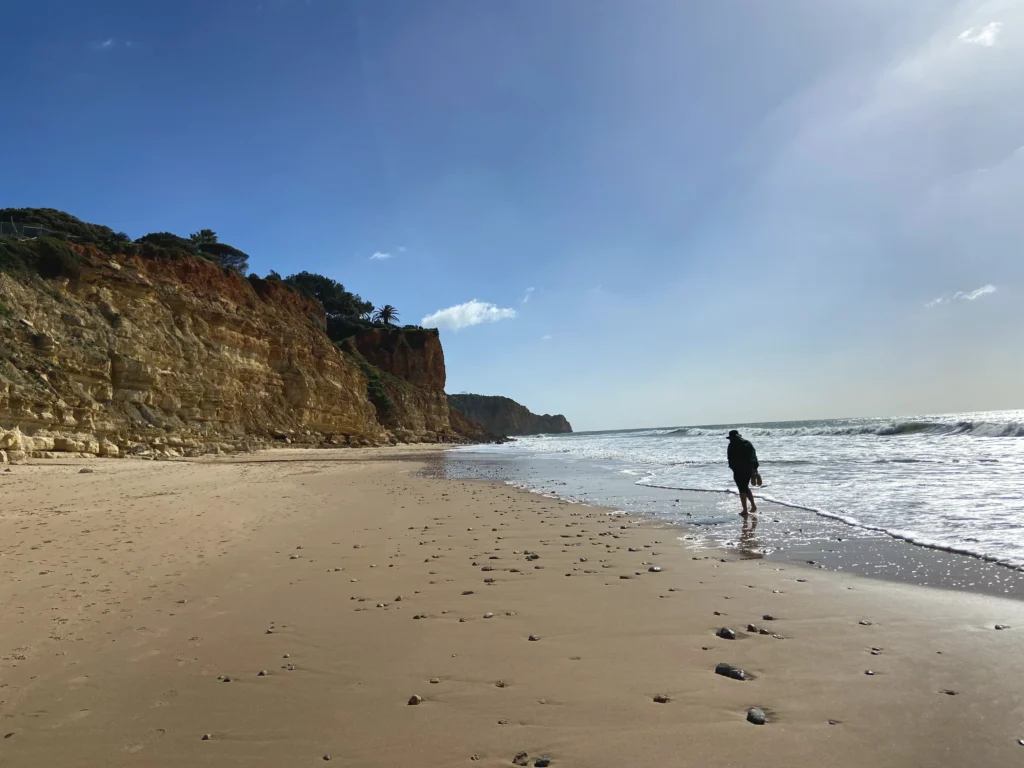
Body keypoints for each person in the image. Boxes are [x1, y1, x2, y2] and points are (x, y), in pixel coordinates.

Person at [727, 429, 759, 516]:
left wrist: (732, 467)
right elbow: (754, 456)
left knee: (742, 488)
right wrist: (755, 469)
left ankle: (745, 510)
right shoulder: (747, 443)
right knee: (745, 487)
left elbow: (730, 458)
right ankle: (753, 506)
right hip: (749, 469)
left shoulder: (732, 445)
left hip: (738, 470)